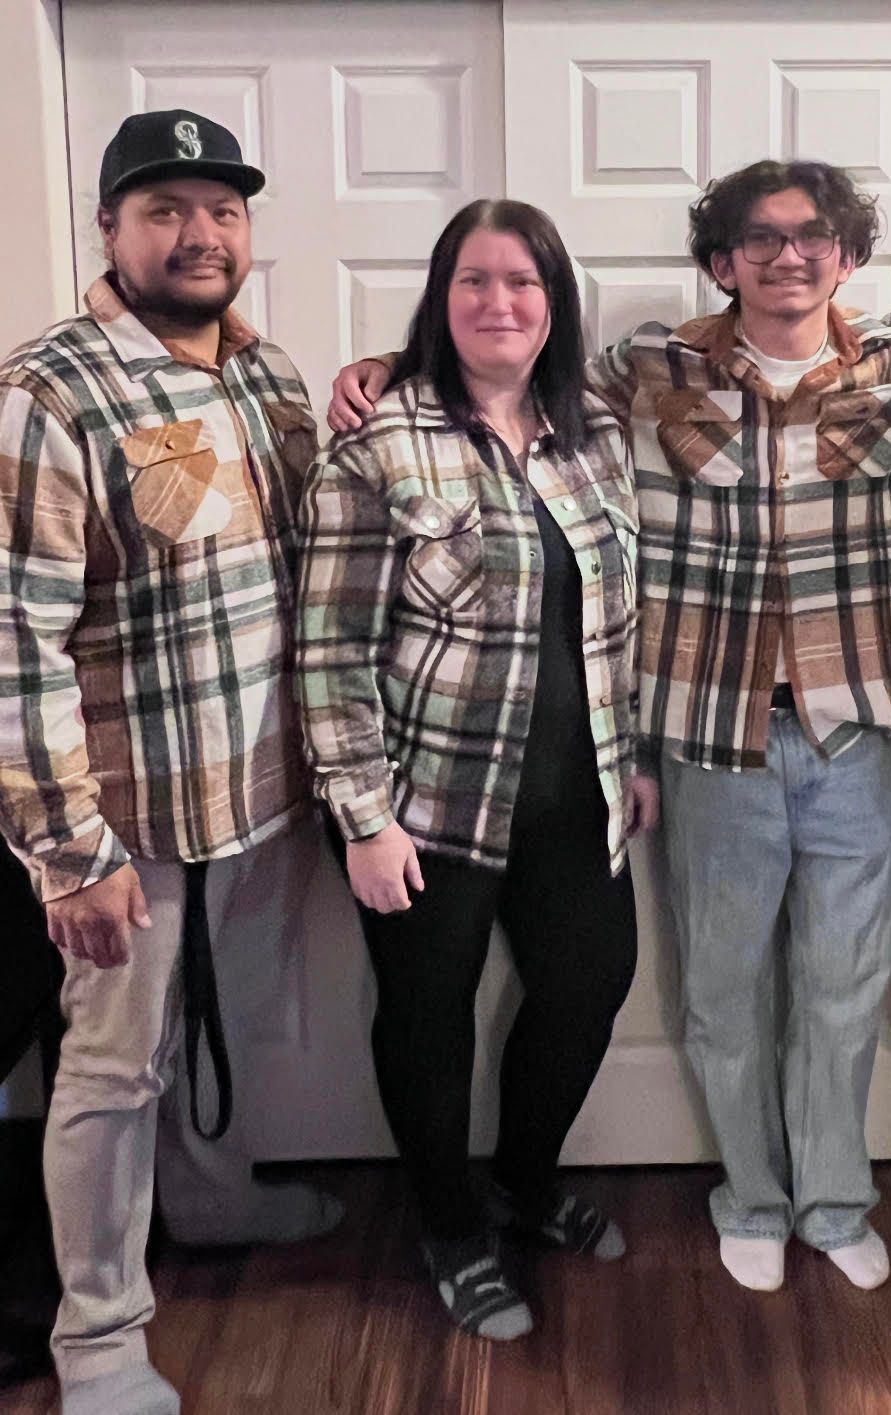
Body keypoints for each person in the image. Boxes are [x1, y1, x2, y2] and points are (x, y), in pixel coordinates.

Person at [327, 162, 891, 1298]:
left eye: (812, 236)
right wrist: (389, 364)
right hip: (709, 734)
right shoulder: (644, 370)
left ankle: (831, 1195)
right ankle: (751, 1196)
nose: (786, 256)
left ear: (847, 254)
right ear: (721, 262)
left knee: (843, 984)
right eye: (755, 241)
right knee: (720, 993)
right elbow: (509, 357)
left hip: (858, 734)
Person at [0, 110, 341, 1415]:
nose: (200, 234)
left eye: (222, 209)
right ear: (110, 229)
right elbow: (14, 640)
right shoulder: (54, 389)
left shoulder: (268, 376)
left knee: (231, 1019)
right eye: (166, 210)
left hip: (259, 792)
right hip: (126, 811)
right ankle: (98, 1334)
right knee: (112, 1066)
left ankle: (209, 1199)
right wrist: (66, 850)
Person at [296, 198, 656, 1342]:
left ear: (556, 305)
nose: (499, 304)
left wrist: (630, 756)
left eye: (524, 283)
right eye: (474, 281)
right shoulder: (378, 440)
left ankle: (523, 1180)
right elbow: (329, 644)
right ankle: (451, 1225)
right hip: (424, 808)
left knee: (589, 986)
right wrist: (362, 815)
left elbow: (615, 618)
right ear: (439, 300)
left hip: (577, 794)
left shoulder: (595, 430)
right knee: (426, 1015)